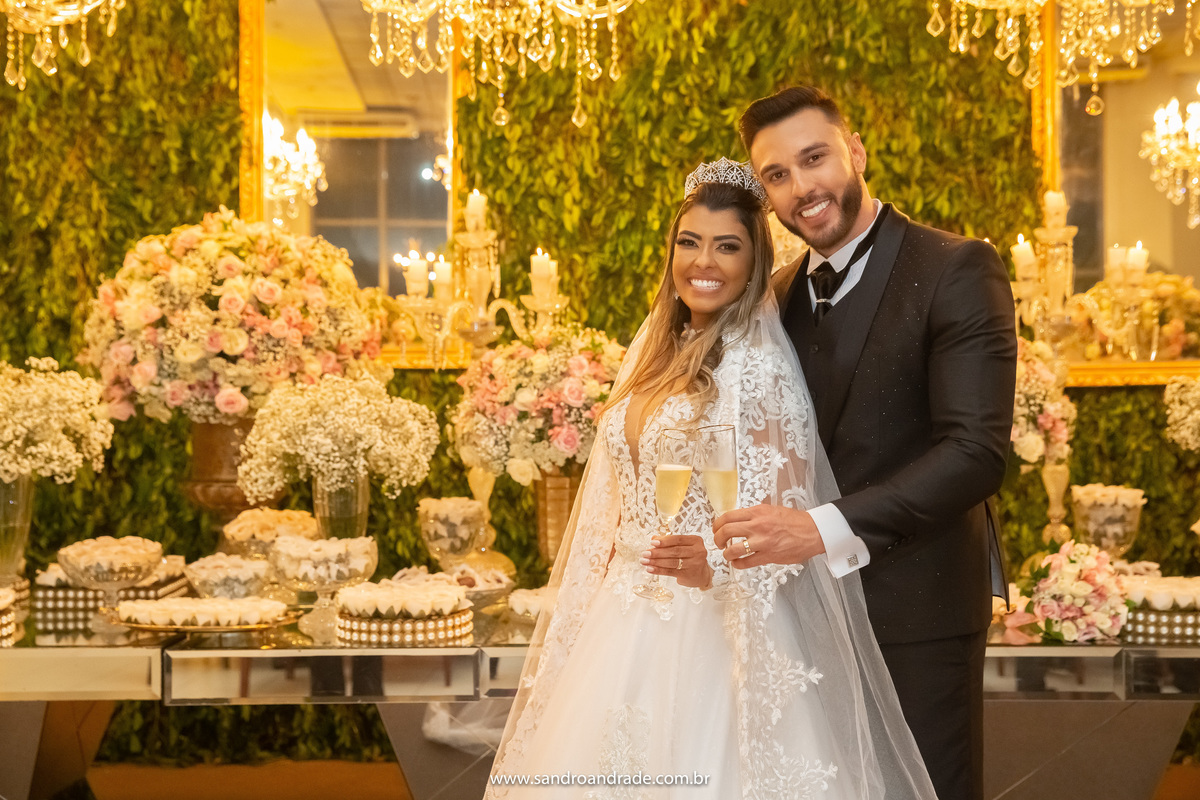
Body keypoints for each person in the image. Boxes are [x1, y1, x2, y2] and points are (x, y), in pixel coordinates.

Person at [486, 159, 937, 799]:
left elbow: (786, 520)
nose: (705, 261)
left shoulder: (757, 370)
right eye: (690, 242)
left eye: (729, 247)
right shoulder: (652, 353)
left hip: (708, 633)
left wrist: (716, 565)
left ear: (754, 265)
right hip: (621, 624)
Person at [715, 85, 1018, 800]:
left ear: (855, 151)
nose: (801, 188)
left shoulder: (957, 267)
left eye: (813, 158)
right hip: (801, 618)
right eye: (776, 176)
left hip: (920, 612)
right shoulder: (777, 292)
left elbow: (976, 453)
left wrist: (818, 530)